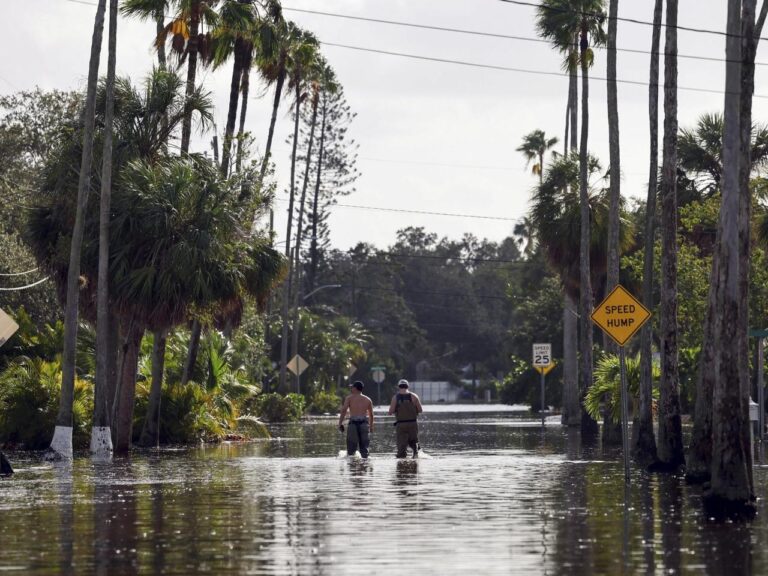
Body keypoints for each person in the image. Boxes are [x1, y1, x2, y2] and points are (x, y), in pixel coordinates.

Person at [338, 381, 374, 458]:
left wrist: (340, 423)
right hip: (364, 424)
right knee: (365, 451)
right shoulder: (368, 399)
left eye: (352, 387)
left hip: (353, 425)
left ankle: (352, 468)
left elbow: (344, 410)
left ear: (355, 388)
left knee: (351, 451)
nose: (351, 388)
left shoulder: (349, 398)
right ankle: (364, 467)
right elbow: (371, 415)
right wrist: (371, 427)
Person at [389, 379, 423, 458]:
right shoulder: (414, 396)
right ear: (408, 386)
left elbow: (390, 412)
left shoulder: (395, 397)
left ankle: (402, 460)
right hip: (413, 423)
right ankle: (416, 456)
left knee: (401, 445)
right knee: (414, 442)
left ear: (399, 387)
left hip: (401, 424)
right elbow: (420, 410)